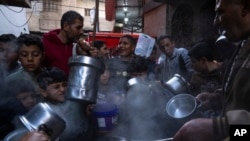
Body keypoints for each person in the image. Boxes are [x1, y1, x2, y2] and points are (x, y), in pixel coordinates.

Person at [173, 0, 250, 141]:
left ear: (245, 7)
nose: (215, 22)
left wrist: (218, 129)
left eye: (220, 12)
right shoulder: (243, 46)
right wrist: (215, 98)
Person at [36, 67, 94, 141]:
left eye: (64, 85)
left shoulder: (75, 100)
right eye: (56, 87)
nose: (62, 89)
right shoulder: (44, 112)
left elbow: (86, 112)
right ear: (44, 92)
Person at [42, 10, 99, 76]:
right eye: (78, 28)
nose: (81, 32)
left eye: (81, 28)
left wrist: (87, 56)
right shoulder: (45, 44)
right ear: (66, 26)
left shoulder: (77, 47)